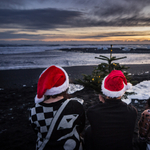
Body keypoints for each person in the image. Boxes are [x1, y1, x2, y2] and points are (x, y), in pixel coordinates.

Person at [29, 65, 85, 150]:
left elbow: (36, 131)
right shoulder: (76, 106)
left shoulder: (34, 110)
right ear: (65, 86)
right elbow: (80, 127)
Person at [85, 70, 137, 150]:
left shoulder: (92, 111)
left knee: (89, 130)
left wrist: (102, 104)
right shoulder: (132, 111)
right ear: (122, 91)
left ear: (104, 90)